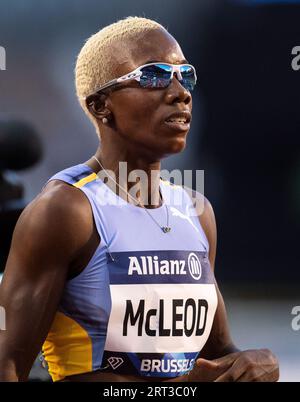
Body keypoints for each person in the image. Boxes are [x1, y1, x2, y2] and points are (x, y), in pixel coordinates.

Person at [0, 16, 279, 382]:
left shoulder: (197, 212)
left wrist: (253, 365)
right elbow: (8, 367)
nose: (181, 92)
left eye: (186, 75)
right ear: (101, 105)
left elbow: (216, 353)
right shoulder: (67, 211)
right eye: (154, 76)